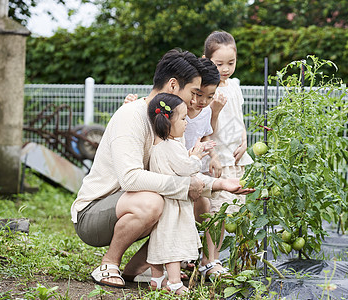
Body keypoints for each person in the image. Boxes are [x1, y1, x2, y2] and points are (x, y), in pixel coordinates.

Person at [70, 49, 251, 289]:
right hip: (93, 212)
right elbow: (130, 179)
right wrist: (186, 186)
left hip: (130, 202)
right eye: (193, 92)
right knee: (155, 202)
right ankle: (108, 263)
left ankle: (137, 270)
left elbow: (178, 169)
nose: (195, 100)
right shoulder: (131, 116)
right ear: (174, 85)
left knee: (200, 204)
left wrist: (218, 185)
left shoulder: (169, 122)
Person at [146, 92, 243, 294]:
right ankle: (174, 282)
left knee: (160, 242)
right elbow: (187, 169)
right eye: (182, 119)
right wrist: (197, 156)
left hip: (168, 203)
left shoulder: (162, 145)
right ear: (167, 122)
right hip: (175, 206)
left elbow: (178, 165)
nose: (186, 123)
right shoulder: (170, 146)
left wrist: (191, 154)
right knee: (173, 244)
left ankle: (157, 279)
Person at [198, 31, 254, 278]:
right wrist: (213, 157)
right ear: (206, 59)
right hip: (217, 160)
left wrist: (245, 140)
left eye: (230, 63)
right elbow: (205, 129)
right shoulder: (205, 90)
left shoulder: (234, 86)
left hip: (235, 158)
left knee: (230, 211)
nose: (225, 69)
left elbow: (239, 119)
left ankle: (209, 259)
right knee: (215, 213)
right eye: (219, 64)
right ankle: (212, 261)